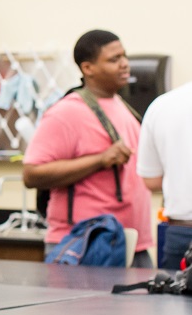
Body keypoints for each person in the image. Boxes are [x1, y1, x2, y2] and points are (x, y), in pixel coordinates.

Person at [22, 29, 153, 268]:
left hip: (133, 242)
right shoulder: (66, 112)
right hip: (86, 245)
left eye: (124, 56)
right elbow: (31, 174)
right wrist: (100, 160)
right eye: (114, 59)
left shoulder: (122, 106)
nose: (125, 64)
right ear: (87, 68)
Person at [136, 81, 192, 269]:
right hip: (181, 233)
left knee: (177, 298)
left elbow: (151, 180)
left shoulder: (162, 106)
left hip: (181, 232)